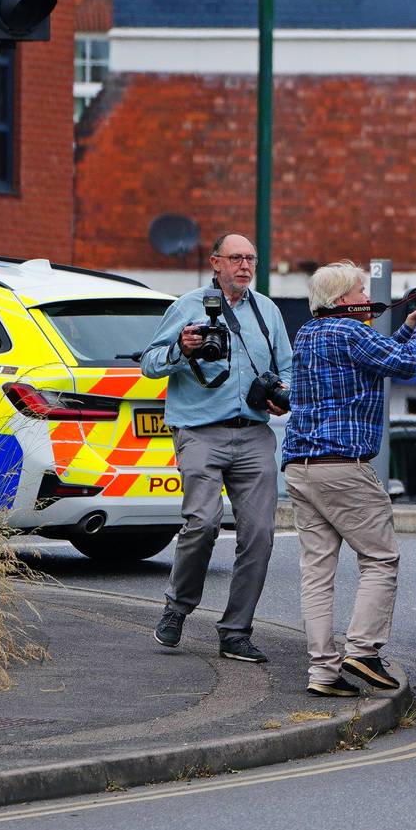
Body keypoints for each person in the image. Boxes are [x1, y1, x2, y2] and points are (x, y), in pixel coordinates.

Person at [282, 261, 416, 697]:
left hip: (300, 467)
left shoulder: (308, 333)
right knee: (380, 558)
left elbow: (378, 359)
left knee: (317, 572)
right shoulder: (351, 331)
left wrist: (408, 327)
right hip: (343, 467)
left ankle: (322, 672)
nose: (367, 298)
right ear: (341, 300)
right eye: (360, 291)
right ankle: (364, 650)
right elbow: (408, 365)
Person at [141, 233, 293, 664]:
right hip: (199, 431)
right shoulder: (187, 306)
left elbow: (289, 367)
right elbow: (150, 364)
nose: (245, 266)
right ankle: (177, 607)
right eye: (236, 258)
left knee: (260, 535)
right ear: (215, 262)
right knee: (203, 523)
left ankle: (236, 632)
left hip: (254, 433)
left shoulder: (268, 311)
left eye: (251, 259)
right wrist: (181, 349)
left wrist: (283, 393)